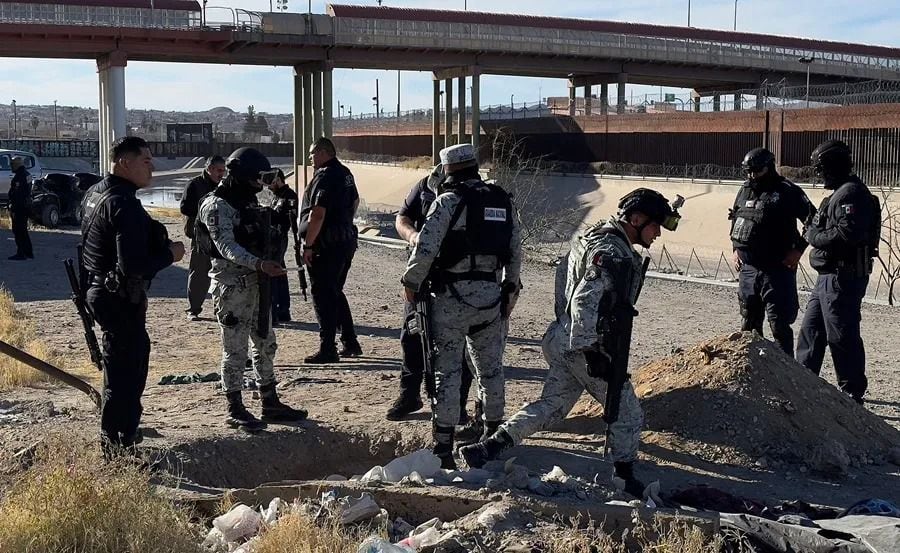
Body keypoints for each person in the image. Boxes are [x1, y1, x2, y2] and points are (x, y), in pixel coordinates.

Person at [461, 188, 682, 498]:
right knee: (628, 410)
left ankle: (489, 446)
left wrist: (569, 333)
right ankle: (624, 477)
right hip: (584, 345)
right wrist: (591, 350)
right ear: (636, 219)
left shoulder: (592, 236)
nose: (658, 233)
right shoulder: (612, 252)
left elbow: (564, 279)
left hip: (562, 337)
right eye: (655, 225)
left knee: (552, 406)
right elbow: (584, 301)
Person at [401, 143, 522, 469]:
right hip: (490, 299)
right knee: (491, 370)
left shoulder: (448, 201)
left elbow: (425, 249)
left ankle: (443, 447)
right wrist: (511, 287)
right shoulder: (501, 200)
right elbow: (515, 249)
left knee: (448, 371)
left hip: (451, 300)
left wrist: (411, 283)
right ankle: (493, 439)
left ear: (448, 170)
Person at [80, 136, 185, 456]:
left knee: (122, 365)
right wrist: (171, 254)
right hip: (119, 297)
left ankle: (120, 436)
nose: (152, 166)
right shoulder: (122, 204)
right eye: (146, 160)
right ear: (124, 163)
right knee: (127, 372)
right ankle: (118, 448)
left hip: (101, 291)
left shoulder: (96, 193)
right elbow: (134, 266)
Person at [195, 147, 308, 431]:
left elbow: (278, 216)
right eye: (258, 178)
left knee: (266, 342)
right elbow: (225, 246)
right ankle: (234, 407)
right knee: (235, 350)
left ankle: (269, 400)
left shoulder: (247, 202)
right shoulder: (216, 205)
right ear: (243, 176)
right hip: (232, 286)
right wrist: (258, 263)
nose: (261, 184)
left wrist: (280, 189)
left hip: (258, 284)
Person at [387, 164, 479, 423]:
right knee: (412, 334)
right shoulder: (425, 185)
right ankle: (410, 394)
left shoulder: (476, 194)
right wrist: (414, 237)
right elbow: (402, 219)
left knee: (459, 346)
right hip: (423, 274)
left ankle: (458, 405)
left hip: (458, 281)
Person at [797, 140, 879, 404]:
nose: (819, 174)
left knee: (841, 335)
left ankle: (852, 393)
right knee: (811, 332)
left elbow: (846, 235)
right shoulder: (838, 194)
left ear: (832, 166)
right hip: (827, 277)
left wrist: (812, 235)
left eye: (820, 169)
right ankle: (802, 384)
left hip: (843, 277)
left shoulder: (851, 194)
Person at [729, 147, 816, 355]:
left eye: (756, 171)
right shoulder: (745, 190)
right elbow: (736, 219)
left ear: (769, 168)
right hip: (748, 269)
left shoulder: (787, 191)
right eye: (748, 172)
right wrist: (736, 248)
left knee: (779, 325)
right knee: (748, 324)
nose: (752, 176)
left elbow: (813, 220)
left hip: (776, 270)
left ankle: (784, 376)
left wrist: (798, 250)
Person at [299, 137, 362, 363]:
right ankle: (350, 341)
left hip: (326, 245)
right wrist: (343, 223)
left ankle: (328, 348)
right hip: (345, 240)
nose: (310, 159)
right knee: (335, 290)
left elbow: (317, 213)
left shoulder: (325, 176)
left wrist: (308, 245)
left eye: (312, 154)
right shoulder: (345, 173)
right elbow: (355, 202)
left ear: (324, 152)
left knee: (323, 295)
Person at [180, 155, 226, 321]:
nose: (222, 174)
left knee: (221, 274)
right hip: (200, 235)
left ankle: (220, 309)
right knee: (199, 274)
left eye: (224, 170)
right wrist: (205, 210)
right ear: (210, 169)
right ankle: (193, 309)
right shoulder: (195, 184)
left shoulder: (224, 186)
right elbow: (185, 207)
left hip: (221, 236)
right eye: (219, 170)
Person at [265, 169, 298, 324]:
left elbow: (286, 218)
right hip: (272, 237)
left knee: (275, 273)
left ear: (277, 180)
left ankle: (279, 310)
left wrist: (266, 213)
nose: (269, 188)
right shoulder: (277, 196)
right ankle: (281, 309)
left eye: (271, 183)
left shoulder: (289, 196)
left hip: (279, 237)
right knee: (279, 272)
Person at [7, 156, 33, 260]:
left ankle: (21, 253)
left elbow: (17, 194)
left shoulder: (19, 177)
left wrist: (13, 207)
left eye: (12, 165)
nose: (11, 167)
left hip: (19, 207)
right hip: (25, 206)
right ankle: (28, 252)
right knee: (23, 230)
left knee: (18, 230)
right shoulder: (27, 174)